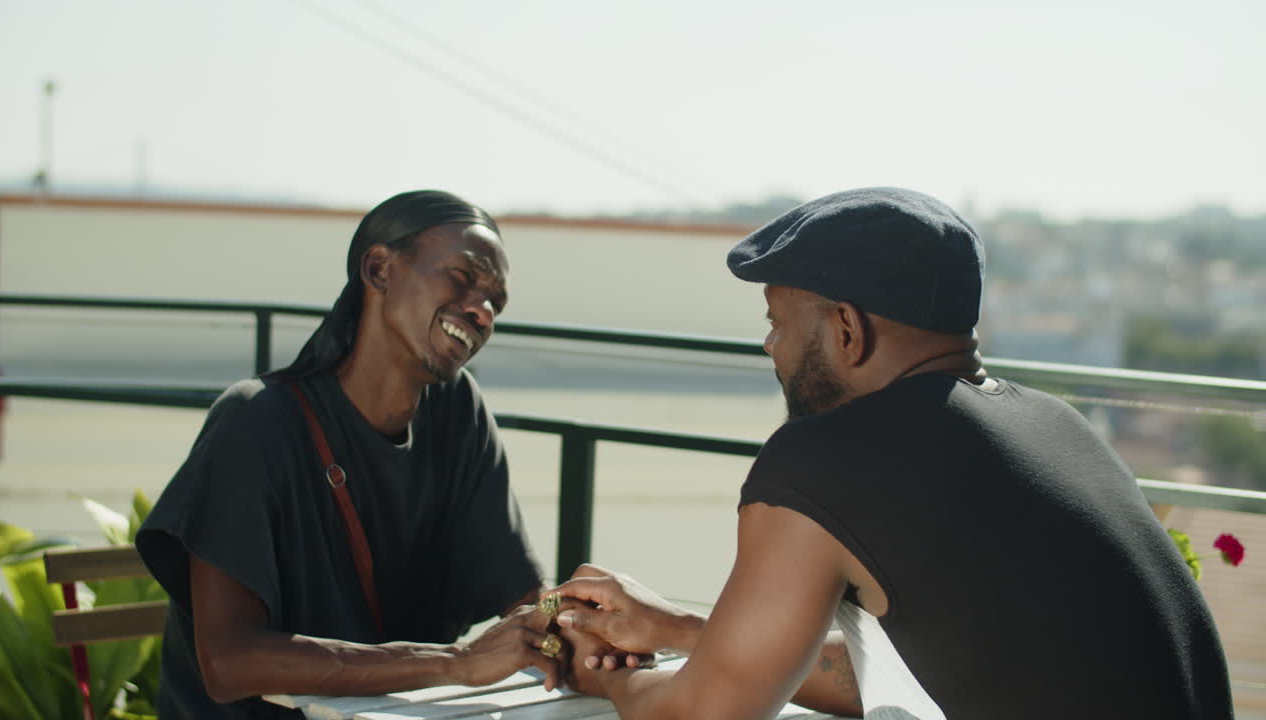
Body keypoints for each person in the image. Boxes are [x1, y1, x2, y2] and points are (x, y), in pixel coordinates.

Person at [547, 187, 1235, 719]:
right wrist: (682, 628)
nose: (770, 349)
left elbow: (705, 712)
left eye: (776, 325)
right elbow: (917, 669)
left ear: (846, 329)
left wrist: (609, 680)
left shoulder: (826, 456)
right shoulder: (1059, 428)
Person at [137, 191, 566, 719]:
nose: (482, 310)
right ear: (379, 268)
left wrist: (563, 620)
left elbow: (528, 594)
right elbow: (229, 663)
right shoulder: (255, 421)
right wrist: (455, 662)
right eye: (462, 277)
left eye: (495, 303)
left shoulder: (460, 412)